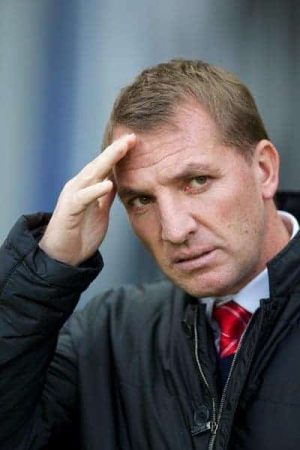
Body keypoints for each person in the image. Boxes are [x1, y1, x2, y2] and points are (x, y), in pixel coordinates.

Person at [1, 59, 300, 450]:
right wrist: (46, 270)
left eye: (196, 181)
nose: (174, 230)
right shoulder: (107, 334)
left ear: (263, 169)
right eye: (141, 199)